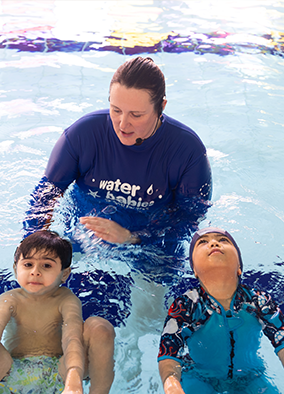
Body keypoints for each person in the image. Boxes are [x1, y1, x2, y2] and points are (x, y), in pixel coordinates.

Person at [23, 56, 212, 257]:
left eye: (136, 115)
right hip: (84, 236)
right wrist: (32, 251)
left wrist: (133, 238)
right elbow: (45, 196)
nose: (122, 124)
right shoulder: (83, 135)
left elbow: (189, 220)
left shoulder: (188, 152)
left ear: (161, 107)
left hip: (152, 247)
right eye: (116, 110)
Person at [158, 227, 284, 394]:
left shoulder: (259, 302)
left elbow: (282, 342)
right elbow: (169, 352)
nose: (214, 243)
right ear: (195, 272)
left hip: (251, 377)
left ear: (239, 267)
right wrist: (173, 391)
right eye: (203, 242)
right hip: (200, 377)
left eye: (223, 240)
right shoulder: (187, 305)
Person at [0, 230, 115, 394]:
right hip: (8, 373)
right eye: (28, 264)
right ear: (16, 269)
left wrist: (73, 387)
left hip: (61, 374)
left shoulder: (65, 299)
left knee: (100, 327)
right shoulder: (9, 299)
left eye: (46, 265)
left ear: (64, 273)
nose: (35, 272)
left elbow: (72, 338)